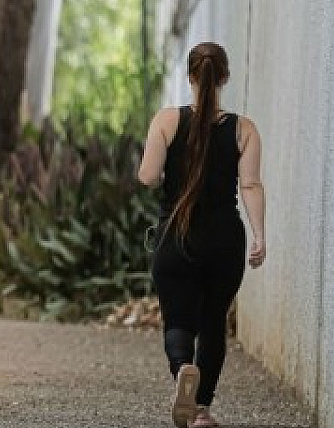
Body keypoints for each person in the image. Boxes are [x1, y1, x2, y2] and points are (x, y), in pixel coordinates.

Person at [137, 42, 267, 428]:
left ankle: (182, 372)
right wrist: (260, 237)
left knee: (177, 318)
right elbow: (252, 186)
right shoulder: (244, 129)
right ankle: (203, 411)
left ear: (190, 76)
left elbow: (146, 177)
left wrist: (167, 174)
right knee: (213, 321)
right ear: (224, 77)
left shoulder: (166, 121)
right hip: (225, 240)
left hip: (176, 236)